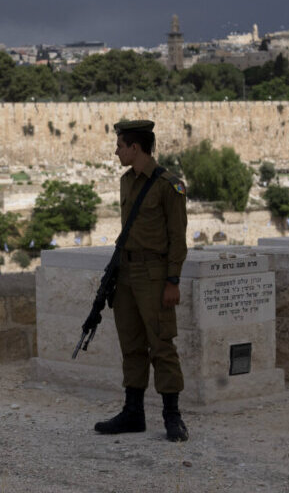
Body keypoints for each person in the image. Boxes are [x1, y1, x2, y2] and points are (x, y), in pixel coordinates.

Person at [94, 119, 189, 442]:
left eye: (120, 145)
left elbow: (178, 238)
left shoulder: (169, 186)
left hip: (154, 275)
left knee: (161, 344)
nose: (116, 151)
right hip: (127, 275)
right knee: (132, 345)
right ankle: (133, 412)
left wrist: (172, 280)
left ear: (136, 147)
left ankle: (172, 416)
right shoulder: (125, 182)